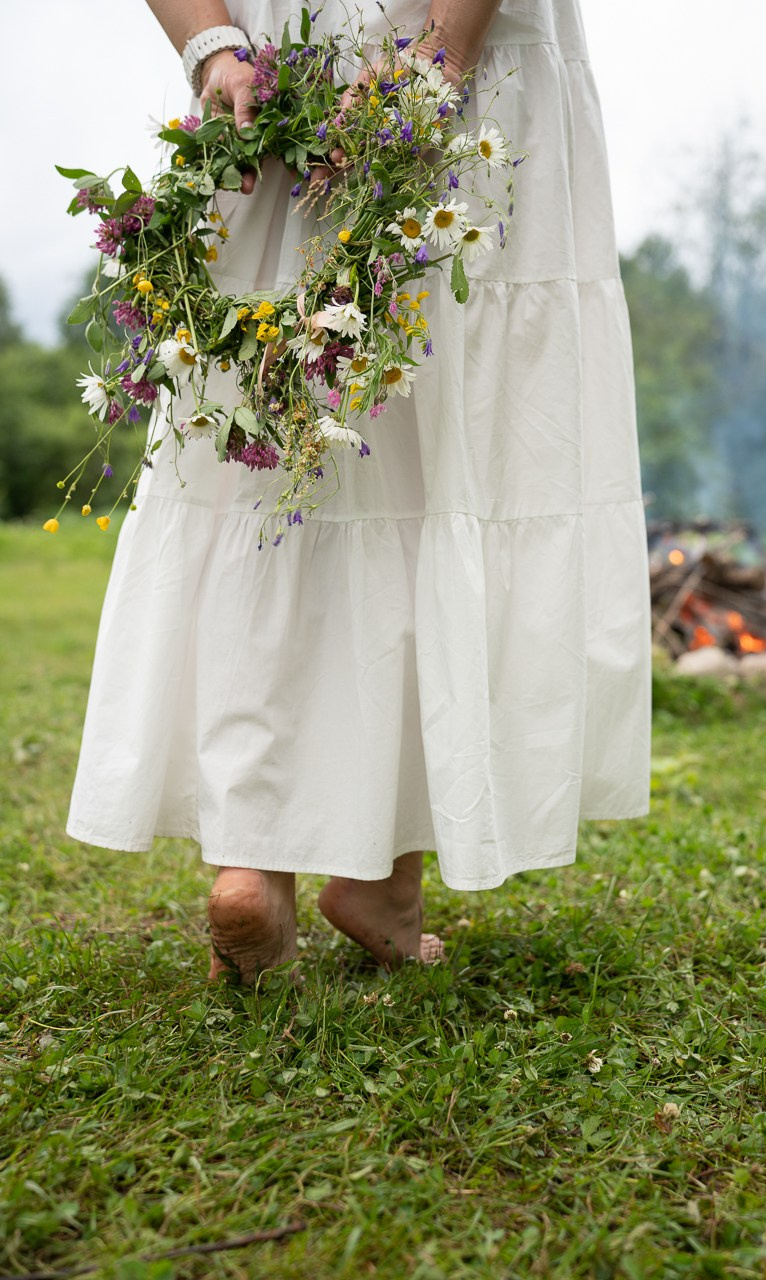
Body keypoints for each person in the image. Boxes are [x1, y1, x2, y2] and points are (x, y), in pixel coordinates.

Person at [67, 0, 651, 983]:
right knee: (445, 441)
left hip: (275, 59)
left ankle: (255, 864)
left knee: (265, 448)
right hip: (439, 42)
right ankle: (379, 880)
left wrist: (214, 50)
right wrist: (438, 59)